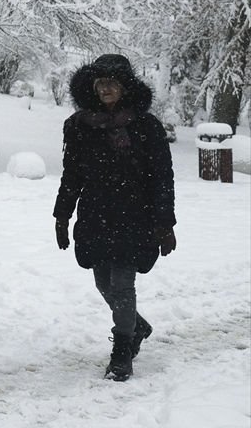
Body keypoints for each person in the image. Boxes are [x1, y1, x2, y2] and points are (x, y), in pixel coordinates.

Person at [55, 53, 176, 382]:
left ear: (125, 87)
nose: (105, 88)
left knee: (122, 285)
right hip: (95, 215)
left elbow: (162, 176)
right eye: (100, 82)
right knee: (103, 283)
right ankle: (135, 325)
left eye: (112, 82)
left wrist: (165, 223)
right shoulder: (80, 125)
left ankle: (123, 349)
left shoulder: (146, 126)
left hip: (135, 215)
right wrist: (61, 215)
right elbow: (72, 175)